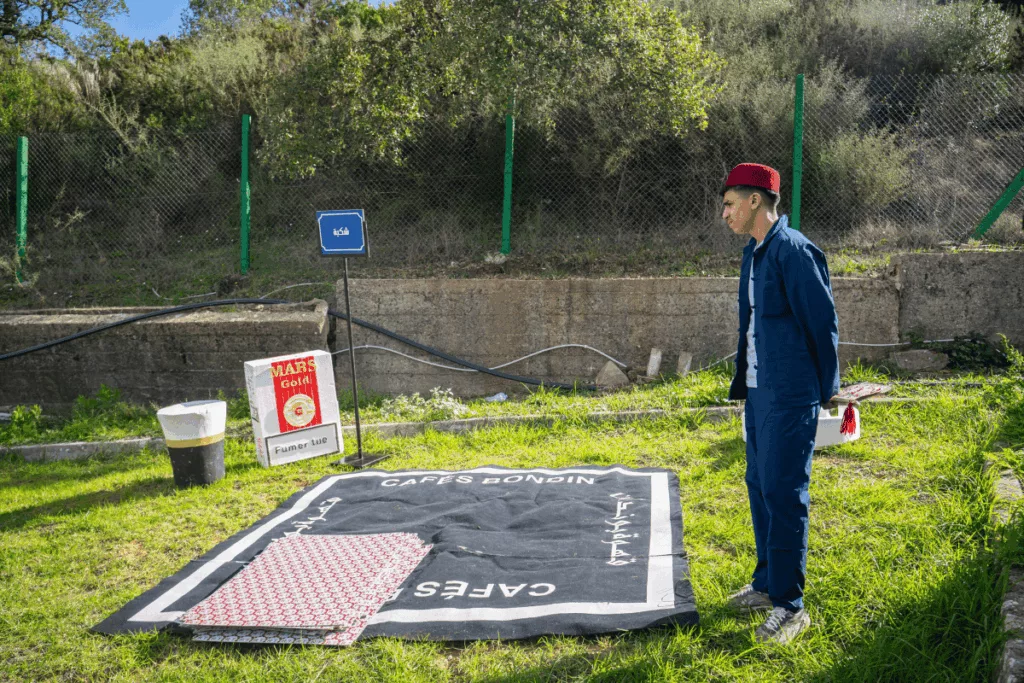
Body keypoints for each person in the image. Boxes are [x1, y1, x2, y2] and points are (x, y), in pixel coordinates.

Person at [720, 163, 840, 644]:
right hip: (759, 391)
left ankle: (791, 606)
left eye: (730, 203)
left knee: (786, 493)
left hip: (791, 395)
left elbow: (823, 324)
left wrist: (826, 389)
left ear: (754, 201)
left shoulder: (794, 251)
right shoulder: (754, 253)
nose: (724, 213)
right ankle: (767, 583)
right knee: (759, 483)